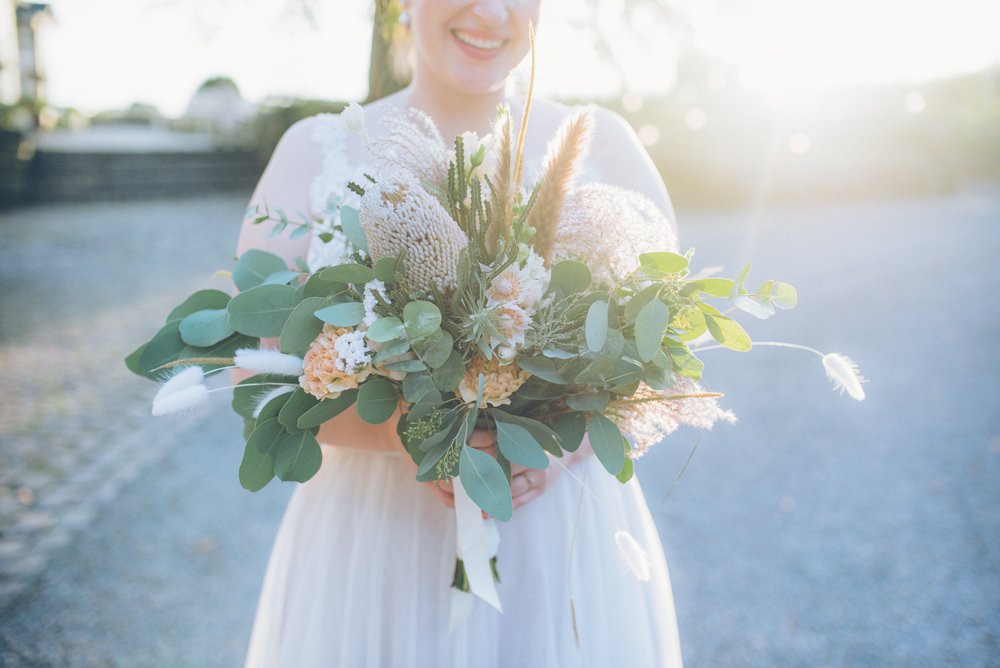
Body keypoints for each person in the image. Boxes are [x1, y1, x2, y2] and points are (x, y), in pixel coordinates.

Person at [240, 1, 683, 666]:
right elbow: (256, 379)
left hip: (556, 535)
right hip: (370, 545)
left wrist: (556, 446)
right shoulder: (312, 150)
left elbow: (669, 358)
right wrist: (415, 440)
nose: (493, 11)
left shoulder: (605, 144)